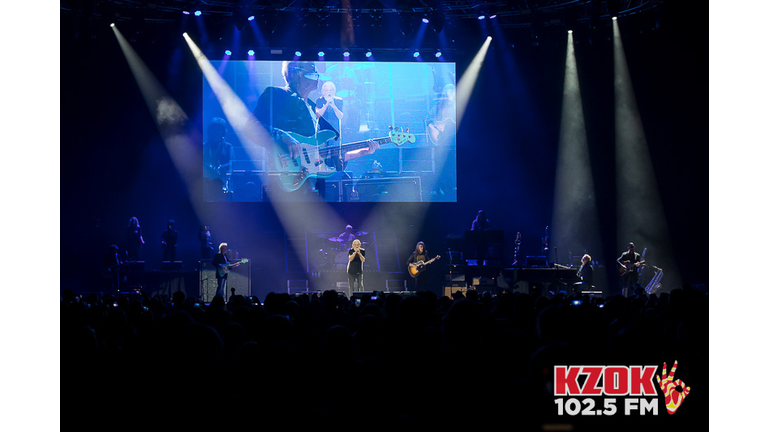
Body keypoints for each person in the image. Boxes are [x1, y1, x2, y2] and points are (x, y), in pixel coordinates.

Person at [244, 60, 378, 199]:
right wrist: (281, 136)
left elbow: (326, 156)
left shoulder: (313, 108)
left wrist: (362, 151)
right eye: (312, 73)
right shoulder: (277, 94)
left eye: (316, 74)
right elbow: (250, 126)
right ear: (294, 74)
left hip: (314, 187)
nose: (317, 77)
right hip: (285, 181)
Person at [203, 117, 234, 188]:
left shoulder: (228, 146)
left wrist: (221, 167)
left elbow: (232, 163)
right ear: (210, 131)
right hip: (206, 181)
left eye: (219, 130)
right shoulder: (204, 146)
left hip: (223, 180)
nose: (216, 132)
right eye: (214, 130)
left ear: (223, 132)